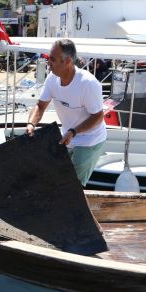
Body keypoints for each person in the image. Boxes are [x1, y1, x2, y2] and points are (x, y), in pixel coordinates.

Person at [25, 39, 106, 186]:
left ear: (67, 61)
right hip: (67, 136)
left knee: (73, 185)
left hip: (90, 139)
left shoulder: (88, 84)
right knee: (58, 178)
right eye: (49, 58)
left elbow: (98, 117)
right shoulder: (52, 79)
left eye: (53, 59)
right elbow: (40, 106)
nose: (48, 62)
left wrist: (73, 132)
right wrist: (31, 124)